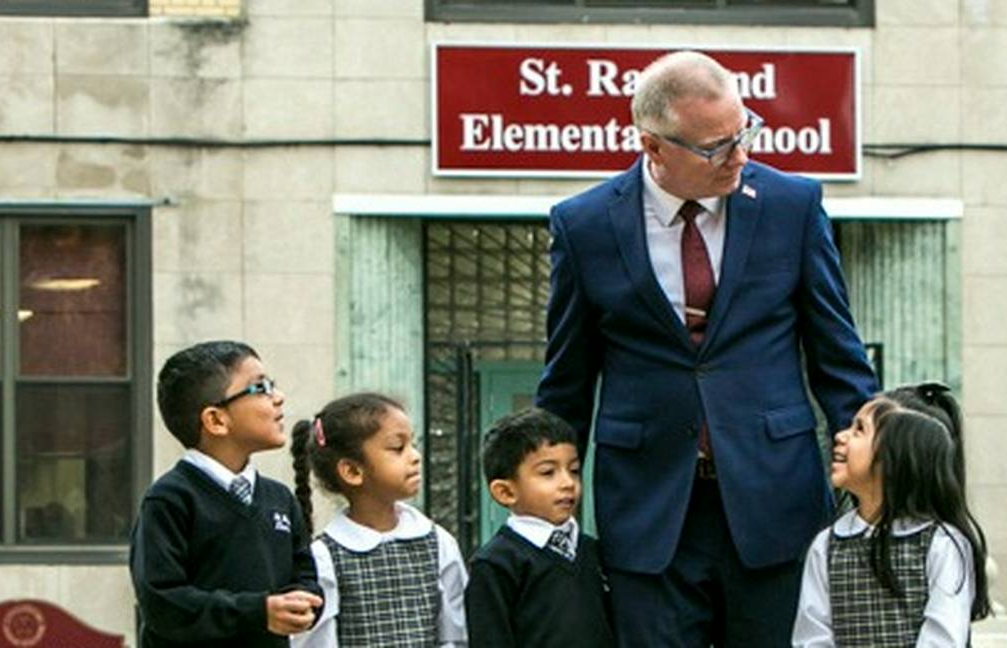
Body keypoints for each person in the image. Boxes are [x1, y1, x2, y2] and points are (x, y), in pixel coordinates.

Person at [536, 49, 877, 647]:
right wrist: (540, 488)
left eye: (744, 133)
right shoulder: (583, 225)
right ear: (653, 147)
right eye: (716, 147)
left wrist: (883, 473)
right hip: (647, 510)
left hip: (776, 500)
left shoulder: (791, 206)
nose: (739, 156)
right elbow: (567, 378)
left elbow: (838, 354)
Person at [131, 341, 323, 648]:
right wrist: (257, 612)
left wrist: (304, 602)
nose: (279, 397)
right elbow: (161, 603)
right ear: (216, 420)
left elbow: (304, 575)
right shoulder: (170, 499)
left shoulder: (279, 498)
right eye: (260, 387)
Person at [792, 386, 991, 647]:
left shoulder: (941, 544)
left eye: (859, 429)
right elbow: (813, 638)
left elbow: (942, 640)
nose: (841, 436)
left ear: (896, 457)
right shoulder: (826, 545)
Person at [288, 393, 467, 648]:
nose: (415, 456)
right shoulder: (324, 558)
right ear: (352, 471)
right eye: (398, 448)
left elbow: (457, 635)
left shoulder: (439, 543)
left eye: (412, 444)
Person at [466, 408, 615, 647]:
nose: (568, 483)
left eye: (574, 471)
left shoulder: (593, 551)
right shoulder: (495, 564)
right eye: (548, 472)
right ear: (505, 492)